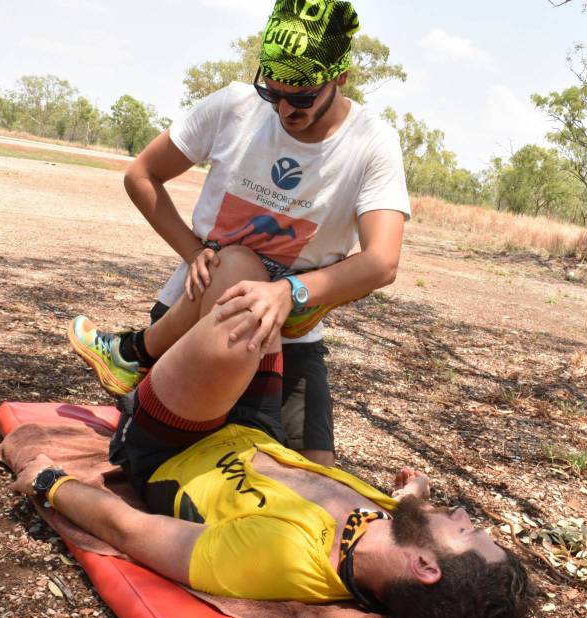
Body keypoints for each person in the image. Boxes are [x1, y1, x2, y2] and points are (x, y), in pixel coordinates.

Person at [19, 247, 534, 618]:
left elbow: (132, 532)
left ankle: (134, 360)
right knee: (246, 271)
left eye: (467, 533)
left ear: (423, 566)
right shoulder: (394, 533)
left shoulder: (282, 559)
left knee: (244, 317)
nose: (467, 516)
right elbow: (406, 517)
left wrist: (51, 483)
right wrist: (413, 497)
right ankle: (169, 349)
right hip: (257, 432)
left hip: (175, 443)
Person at [71, 0, 410, 468]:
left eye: (303, 97)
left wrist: (289, 292)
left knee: (319, 472)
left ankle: (135, 354)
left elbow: (382, 261)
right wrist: (193, 252)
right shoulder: (235, 107)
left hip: (291, 333)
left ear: (341, 78)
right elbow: (142, 175)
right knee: (217, 454)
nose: (285, 109)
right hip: (197, 313)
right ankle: (146, 359)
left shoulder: (372, 143)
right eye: (273, 93)